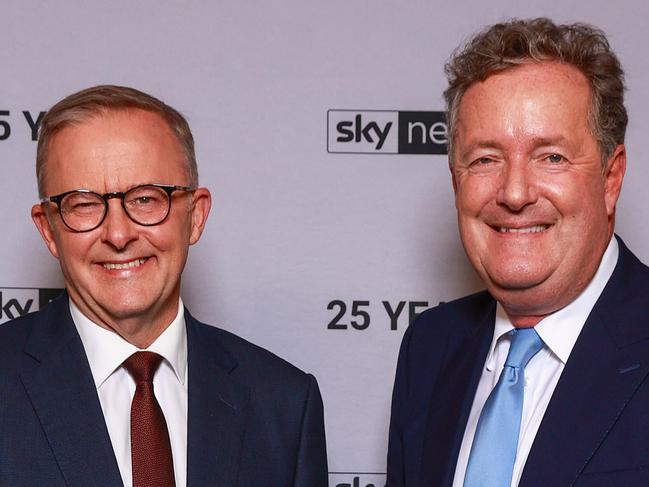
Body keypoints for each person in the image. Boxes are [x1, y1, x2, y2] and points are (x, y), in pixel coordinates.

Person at [0, 85, 328, 487]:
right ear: (48, 229)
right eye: (84, 204)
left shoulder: (284, 404)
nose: (118, 234)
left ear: (195, 216)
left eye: (146, 199)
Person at [387, 18, 649, 486]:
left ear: (611, 179)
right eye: (485, 159)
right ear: (455, 180)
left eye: (551, 156)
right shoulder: (429, 349)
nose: (514, 193)